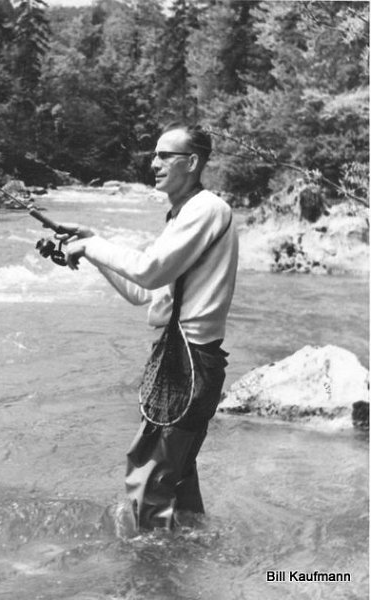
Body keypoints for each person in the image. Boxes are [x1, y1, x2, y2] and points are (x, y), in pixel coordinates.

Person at [56, 123, 238, 533]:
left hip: (190, 362)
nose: (153, 164)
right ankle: (190, 561)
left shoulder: (207, 209)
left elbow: (150, 271)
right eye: (153, 155)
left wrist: (90, 245)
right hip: (180, 360)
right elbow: (145, 292)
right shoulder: (182, 213)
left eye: (164, 155)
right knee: (175, 478)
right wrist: (94, 249)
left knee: (148, 476)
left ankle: (152, 574)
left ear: (191, 162)